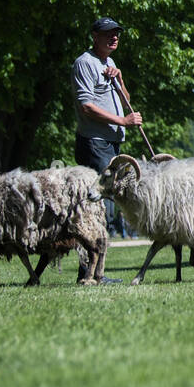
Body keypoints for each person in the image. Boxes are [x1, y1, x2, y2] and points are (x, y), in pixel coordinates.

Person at [71, 18, 144, 281]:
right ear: (94, 36)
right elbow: (86, 107)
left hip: (111, 144)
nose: (114, 38)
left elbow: (125, 100)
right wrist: (123, 121)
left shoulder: (109, 64)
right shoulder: (85, 63)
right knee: (95, 208)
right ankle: (88, 274)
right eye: (108, 34)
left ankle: (94, 273)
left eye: (117, 34)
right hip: (94, 143)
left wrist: (120, 77)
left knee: (105, 209)